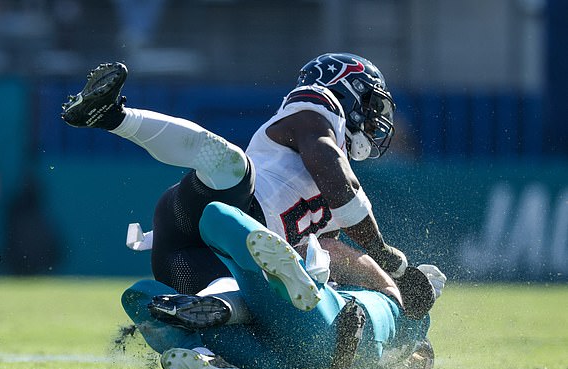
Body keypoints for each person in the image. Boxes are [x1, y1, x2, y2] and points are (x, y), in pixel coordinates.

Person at [61, 53, 435, 320]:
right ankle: (113, 116)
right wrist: (385, 252)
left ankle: (200, 345)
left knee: (245, 310)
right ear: (345, 89)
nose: (374, 119)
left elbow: (336, 251)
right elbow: (332, 173)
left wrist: (395, 284)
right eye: (369, 102)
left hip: (193, 258)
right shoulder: (318, 110)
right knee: (232, 165)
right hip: (224, 208)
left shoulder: (333, 161)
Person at [120, 200, 445, 369]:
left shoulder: (402, 306)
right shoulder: (393, 352)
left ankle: (198, 344)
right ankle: (210, 360)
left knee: (214, 216)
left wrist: (394, 271)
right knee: (145, 296)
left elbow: (331, 247)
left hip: (325, 325)